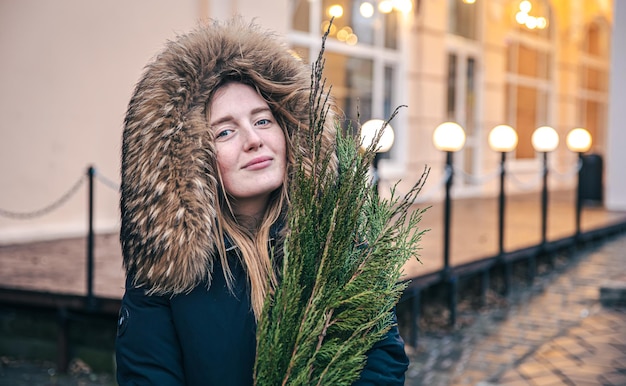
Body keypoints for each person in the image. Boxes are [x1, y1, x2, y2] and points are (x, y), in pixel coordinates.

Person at [116, 18, 409, 385]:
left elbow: (380, 363)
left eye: (263, 121)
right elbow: (147, 376)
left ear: (289, 130)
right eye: (225, 130)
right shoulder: (166, 269)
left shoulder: (337, 246)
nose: (253, 140)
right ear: (188, 157)